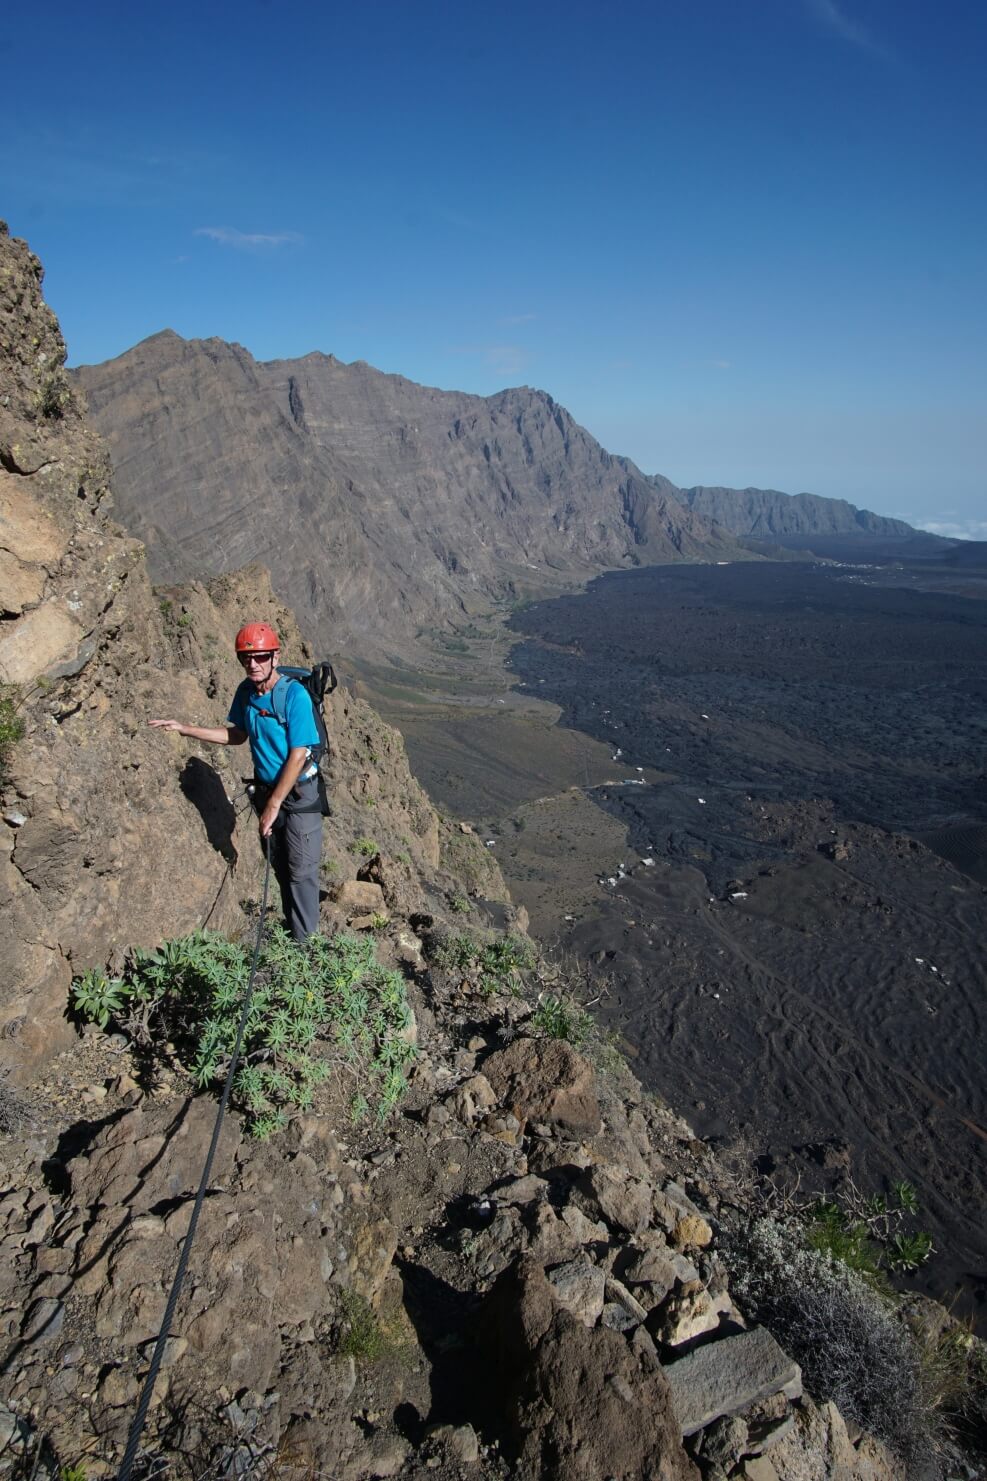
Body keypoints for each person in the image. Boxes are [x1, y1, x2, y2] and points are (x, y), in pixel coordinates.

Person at [149, 622, 323, 941]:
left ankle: (306, 946)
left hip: (298, 795)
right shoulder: (246, 692)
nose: (253, 664)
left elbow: (299, 754)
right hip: (267, 793)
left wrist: (273, 805)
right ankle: (293, 932)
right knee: (279, 863)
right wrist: (186, 729)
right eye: (246, 658)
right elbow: (238, 735)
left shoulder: (294, 695)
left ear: (275, 657)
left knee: (301, 871)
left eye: (260, 657)